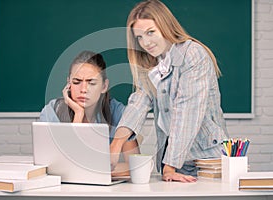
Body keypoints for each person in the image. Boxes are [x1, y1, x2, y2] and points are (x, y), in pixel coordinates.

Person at [110, 0, 229, 182]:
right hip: (172, 162)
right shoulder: (151, 62)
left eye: (151, 32)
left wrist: (170, 166)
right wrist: (116, 143)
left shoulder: (192, 54)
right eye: (139, 37)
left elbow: (187, 113)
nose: (146, 43)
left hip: (206, 160)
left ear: (165, 25)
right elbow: (139, 103)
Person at [40, 50, 140, 176]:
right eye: (76, 82)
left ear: (104, 86)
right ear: (68, 84)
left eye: (91, 83)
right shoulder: (52, 112)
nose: (83, 90)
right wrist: (78, 115)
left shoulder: (117, 112)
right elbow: (53, 167)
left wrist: (87, 170)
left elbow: (135, 166)